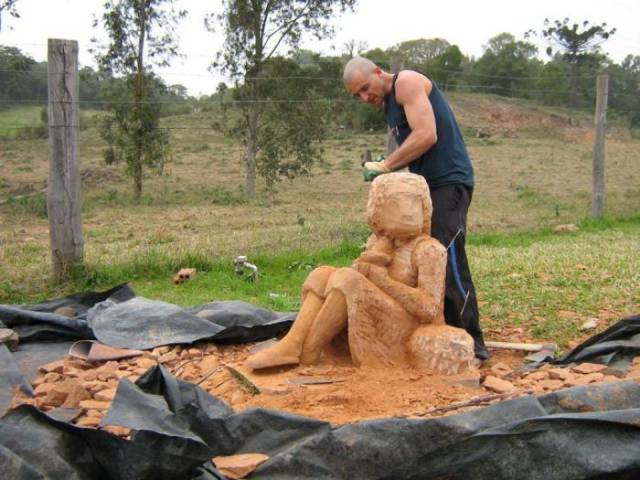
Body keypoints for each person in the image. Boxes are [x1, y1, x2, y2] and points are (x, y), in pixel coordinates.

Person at [247, 173, 475, 374]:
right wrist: (371, 261)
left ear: (423, 208)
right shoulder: (378, 241)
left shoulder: (428, 250)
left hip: (405, 327)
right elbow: (360, 276)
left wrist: (382, 280)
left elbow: (428, 309)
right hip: (376, 314)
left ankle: (310, 351)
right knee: (322, 273)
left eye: (404, 205)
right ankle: (293, 343)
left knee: (347, 279)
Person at [342, 57, 489, 360]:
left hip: (449, 182)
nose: (365, 97)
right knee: (420, 259)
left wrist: (386, 164)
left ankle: (473, 343)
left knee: (445, 256)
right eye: (358, 95)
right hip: (425, 188)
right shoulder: (389, 105)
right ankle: (443, 330)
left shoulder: (406, 83)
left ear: (379, 73)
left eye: (366, 88)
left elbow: (426, 134)